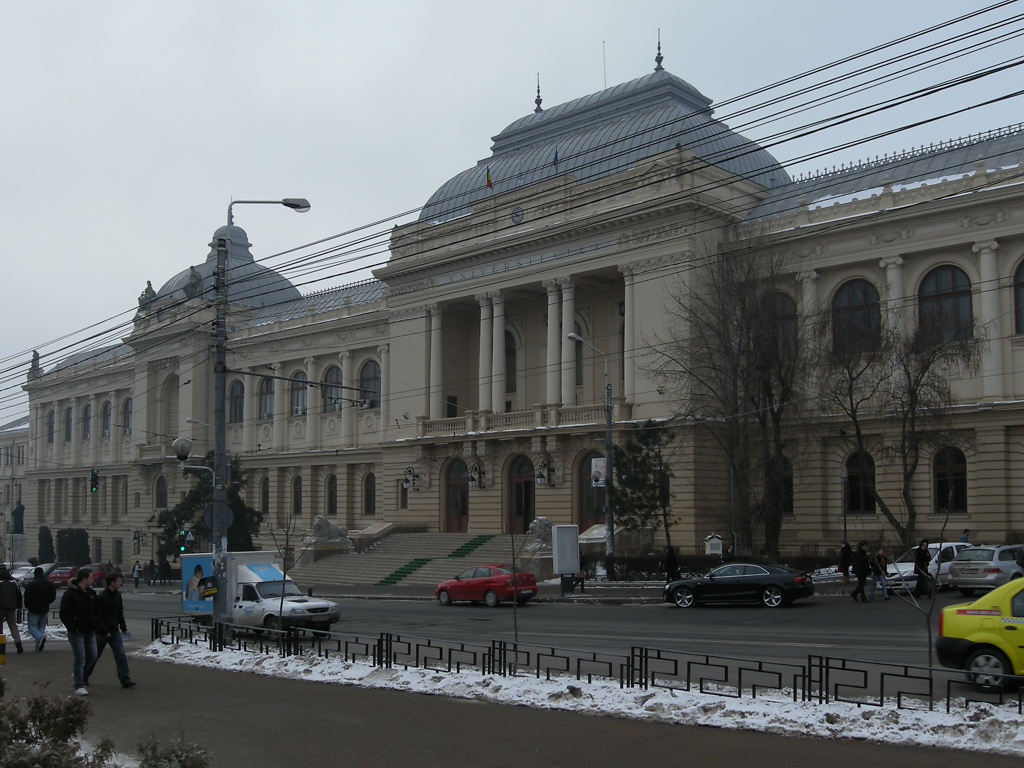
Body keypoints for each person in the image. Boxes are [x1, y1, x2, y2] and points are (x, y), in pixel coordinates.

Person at [90, 572, 135, 689]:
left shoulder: (117, 595)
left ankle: (125, 678)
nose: (121, 583)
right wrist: (104, 631)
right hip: (102, 632)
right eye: (119, 581)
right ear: (112, 582)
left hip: (114, 630)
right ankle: (84, 676)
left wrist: (123, 627)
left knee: (120, 655)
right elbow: (98, 616)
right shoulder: (102, 596)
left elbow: (120, 612)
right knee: (94, 655)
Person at [60, 567, 98, 695]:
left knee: (92, 656)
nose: (93, 580)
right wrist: (73, 626)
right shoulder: (70, 594)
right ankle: (79, 685)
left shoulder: (91, 593)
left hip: (90, 630)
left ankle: (80, 675)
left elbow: (96, 611)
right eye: (91, 577)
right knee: (80, 657)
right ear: (84, 579)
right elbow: (64, 613)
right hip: (77, 632)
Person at [23, 566, 58, 650]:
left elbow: (27, 597)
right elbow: (53, 596)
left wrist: (28, 605)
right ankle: (38, 646)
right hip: (44, 608)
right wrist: (47, 602)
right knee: (41, 627)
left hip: (33, 609)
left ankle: (40, 638)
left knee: (32, 627)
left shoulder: (31, 585)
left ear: (35, 574)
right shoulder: (49, 584)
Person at [0, 565, 24, 653]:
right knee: (13, 625)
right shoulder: (13, 581)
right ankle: (18, 642)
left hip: (0, 608)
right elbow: (19, 595)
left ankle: (1, 646)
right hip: (11, 607)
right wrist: (19, 606)